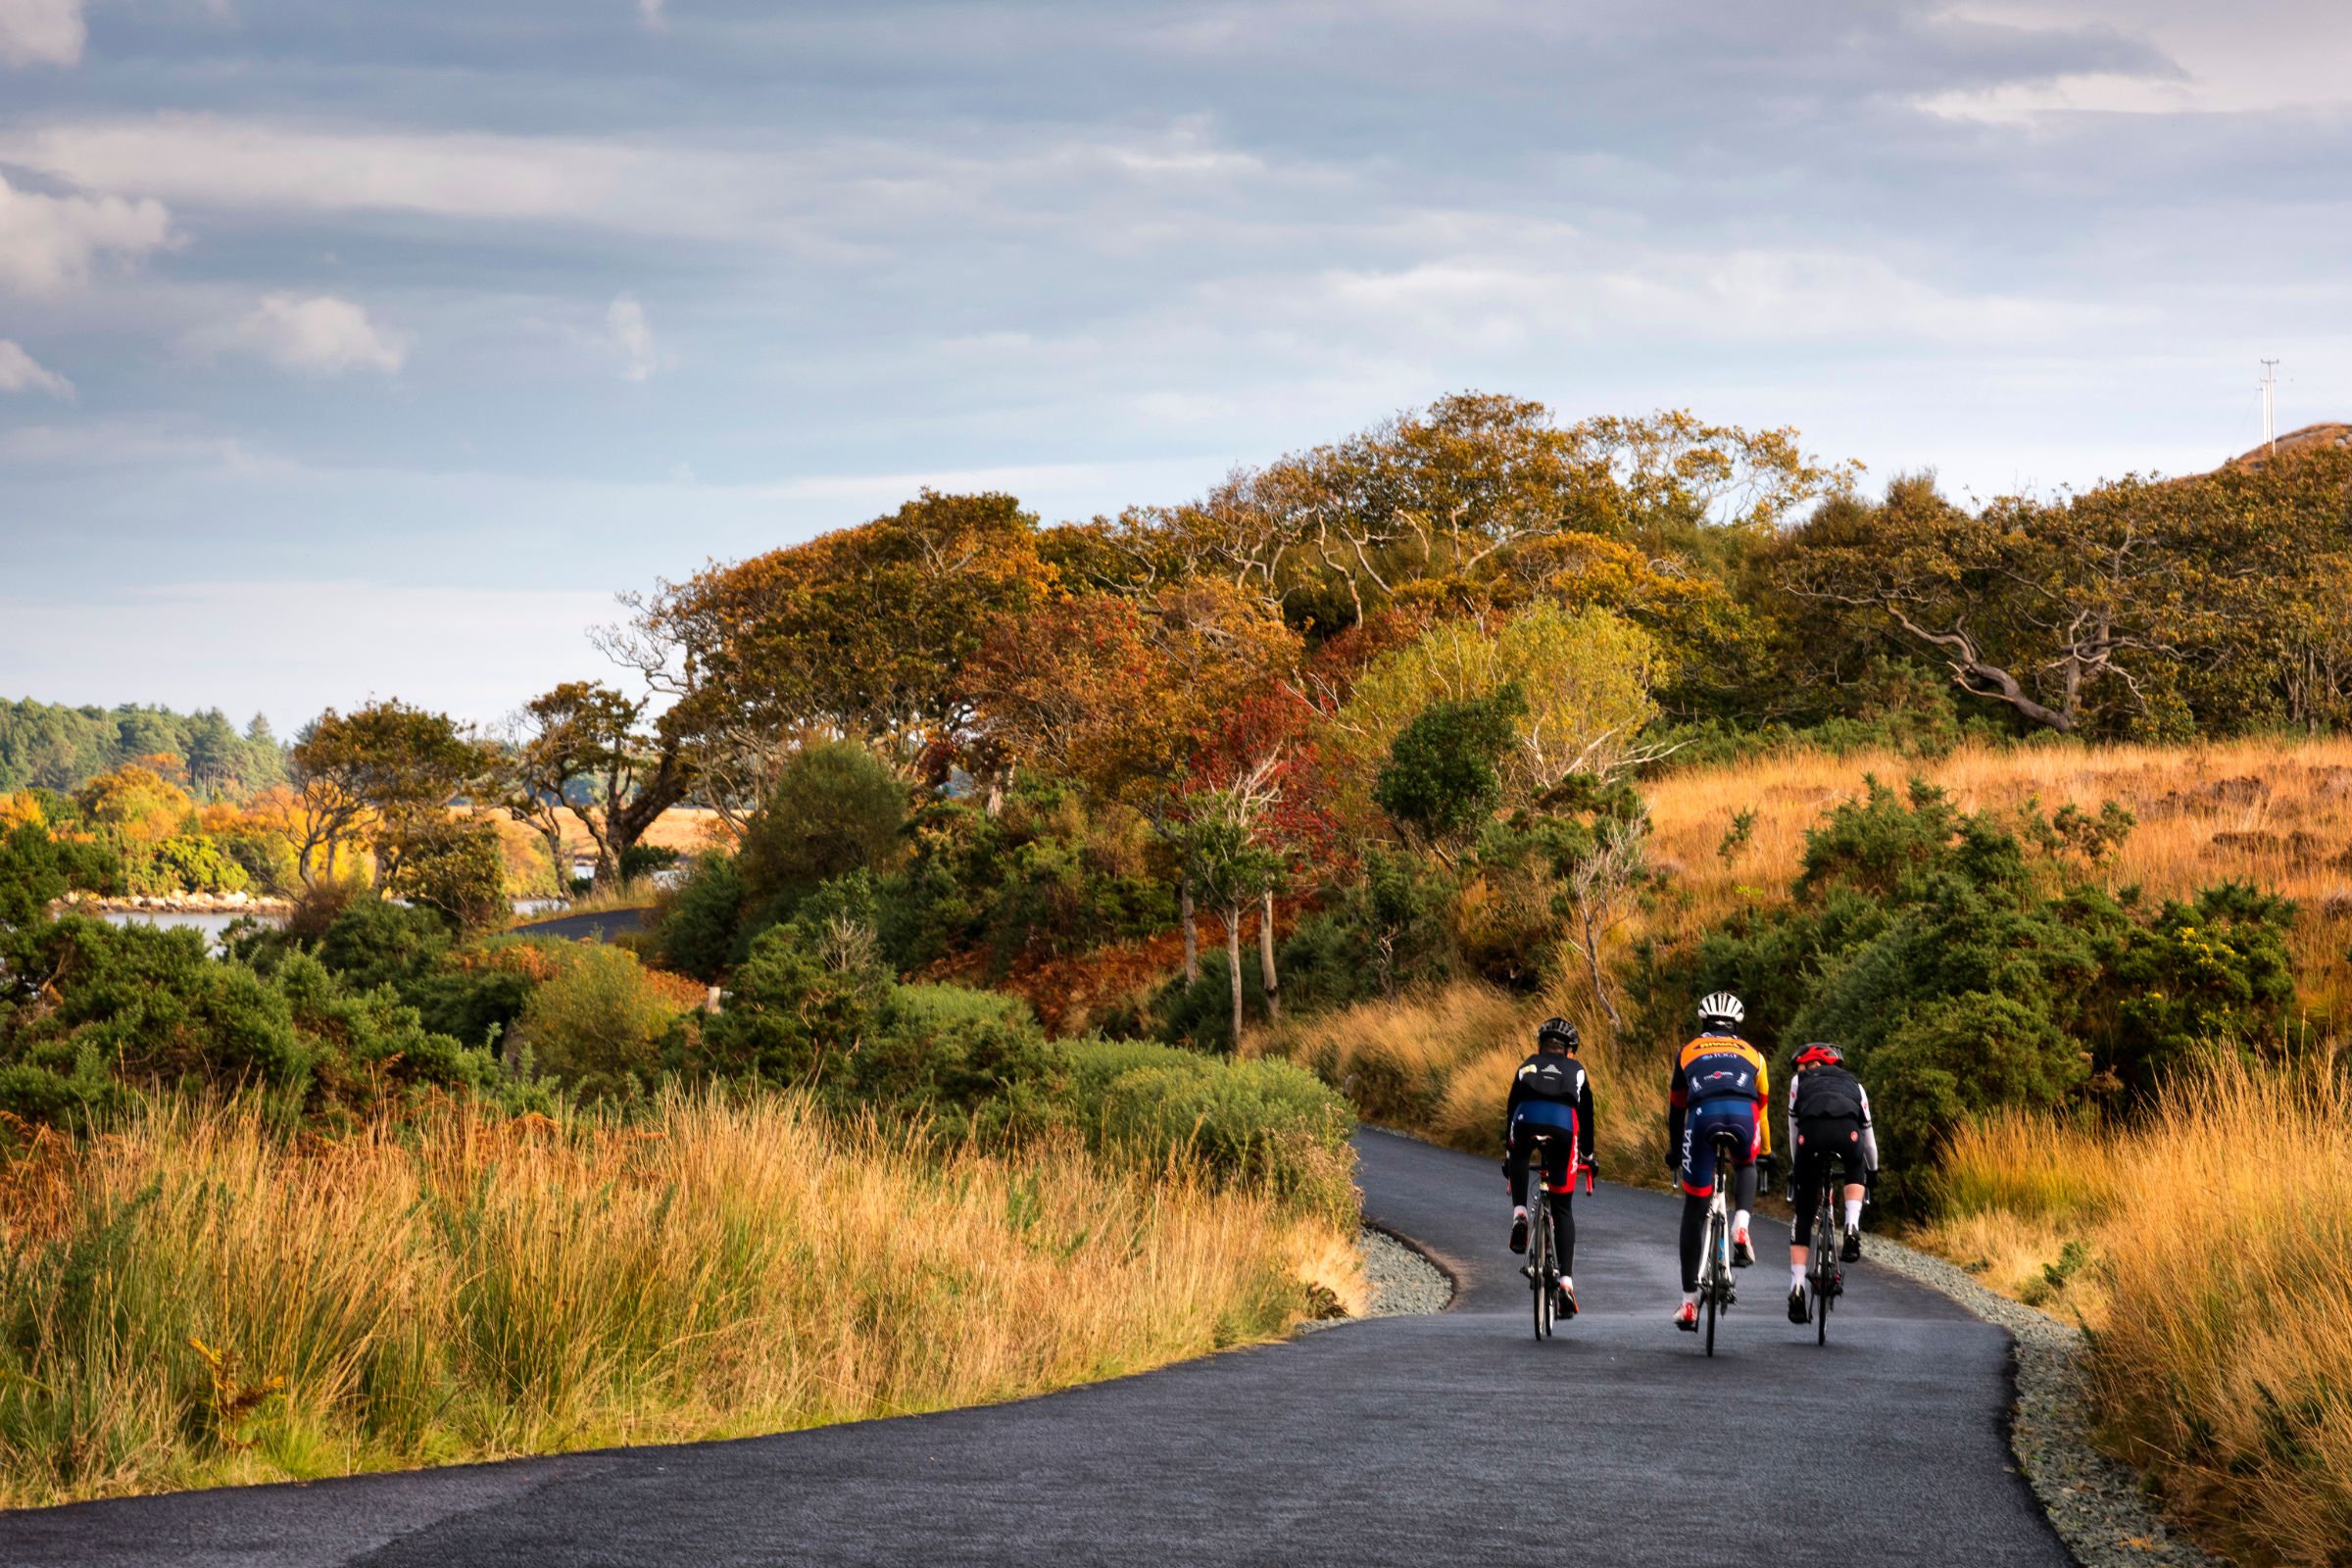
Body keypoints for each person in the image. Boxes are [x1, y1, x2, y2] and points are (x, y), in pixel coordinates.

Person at [1665, 991, 1772, 1332]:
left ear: (1703, 1024)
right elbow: (1763, 1110)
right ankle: (1741, 1226)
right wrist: (1764, 1152)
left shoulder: (1688, 1050)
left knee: (1694, 1212)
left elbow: (1676, 1110)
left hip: (1702, 1116)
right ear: (1736, 1026)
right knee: (1745, 1164)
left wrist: (1673, 1151)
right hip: (1743, 1115)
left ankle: (1688, 1303)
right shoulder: (1755, 1054)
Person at [1503, 1015, 1595, 1319]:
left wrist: (1510, 1152)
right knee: (1563, 1207)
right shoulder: (1577, 1070)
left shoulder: (1527, 1064)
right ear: (1570, 1050)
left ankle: (1519, 1213)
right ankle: (1566, 1285)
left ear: (1541, 1046)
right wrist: (1588, 1155)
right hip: (1562, 1127)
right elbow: (1587, 1115)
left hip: (1525, 1119)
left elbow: (1511, 1106)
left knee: (1518, 1153)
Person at [1784, 1041, 1880, 1323]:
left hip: (1810, 1138)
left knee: (1803, 1213)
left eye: (1802, 1064)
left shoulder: (1798, 1082)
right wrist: (1872, 1172)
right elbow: (1869, 1139)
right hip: (1847, 1136)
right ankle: (1852, 1226)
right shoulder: (1855, 1085)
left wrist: (1796, 1166)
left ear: (1813, 1064)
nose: (1800, 1069)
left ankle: (1798, 1287)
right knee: (1855, 1163)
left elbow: (1793, 1129)